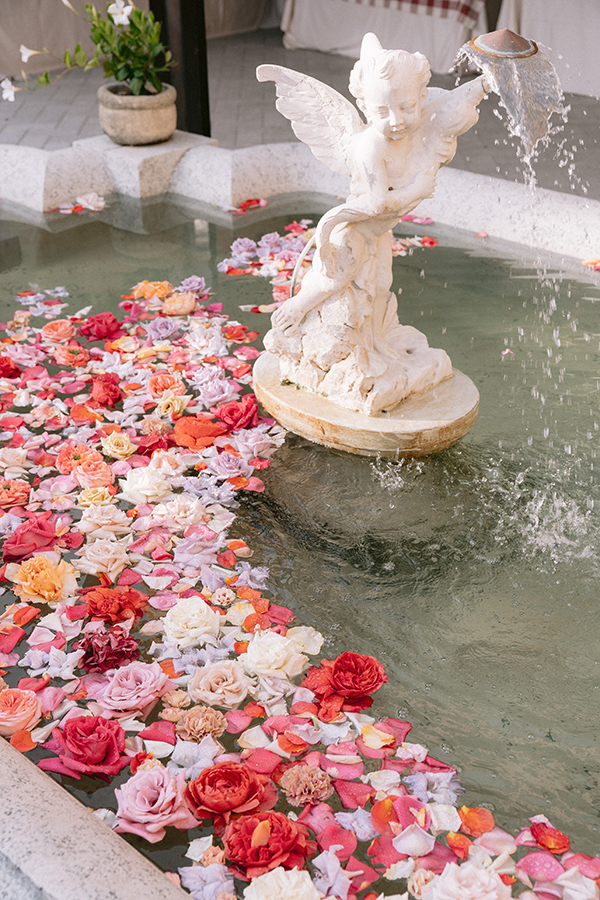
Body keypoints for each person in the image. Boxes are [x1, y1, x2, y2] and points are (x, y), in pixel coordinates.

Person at [261, 34, 489, 414]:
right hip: (356, 229)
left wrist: (484, 83)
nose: (396, 121)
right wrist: (418, 189)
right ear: (364, 106)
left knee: (382, 284)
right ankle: (299, 308)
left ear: (421, 97)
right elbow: (377, 204)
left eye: (407, 107)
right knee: (335, 278)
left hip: (379, 232)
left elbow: (452, 105)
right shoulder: (370, 145)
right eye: (382, 111)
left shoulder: (416, 125)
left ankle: (375, 342)